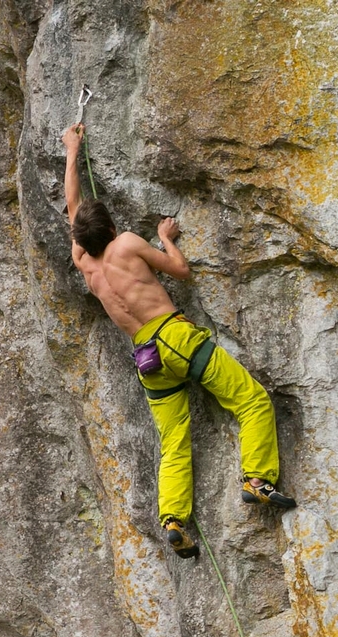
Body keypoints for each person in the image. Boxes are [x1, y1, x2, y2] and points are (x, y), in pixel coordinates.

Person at [61, 122, 295, 559]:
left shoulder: (84, 263)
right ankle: (258, 480)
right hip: (174, 337)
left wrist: (72, 151)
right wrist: (167, 239)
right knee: (252, 400)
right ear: (111, 229)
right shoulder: (128, 243)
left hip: (146, 358)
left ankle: (172, 518)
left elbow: (73, 207)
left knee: (173, 439)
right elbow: (181, 272)